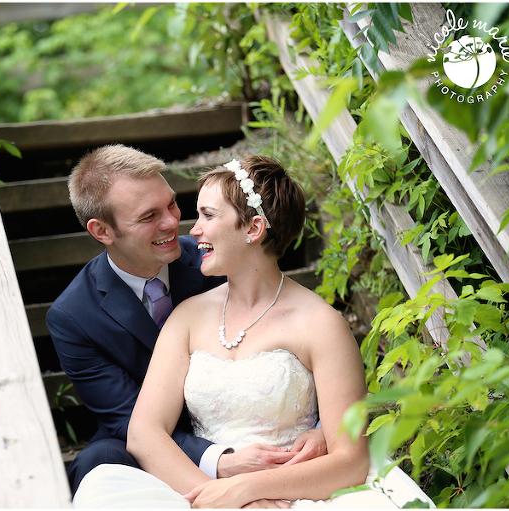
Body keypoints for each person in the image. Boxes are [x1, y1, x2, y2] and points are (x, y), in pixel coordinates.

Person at [72, 156, 434, 508]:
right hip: (201, 486)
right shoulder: (186, 316)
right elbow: (143, 433)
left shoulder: (321, 324)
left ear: (254, 228)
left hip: (298, 487)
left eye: (208, 215)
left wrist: (248, 488)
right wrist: (225, 499)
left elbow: (350, 460)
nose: (192, 231)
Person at [46, 146, 328, 499]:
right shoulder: (74, 315)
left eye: (171, 204)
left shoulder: (219, 254)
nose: (172, 223)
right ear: (102, 231)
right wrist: (219, 462)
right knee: (97, 463)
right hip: (157, 441)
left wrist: (325, 428)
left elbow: (296, 335)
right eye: (148, 216)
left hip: (262, 430)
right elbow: (130, 422)